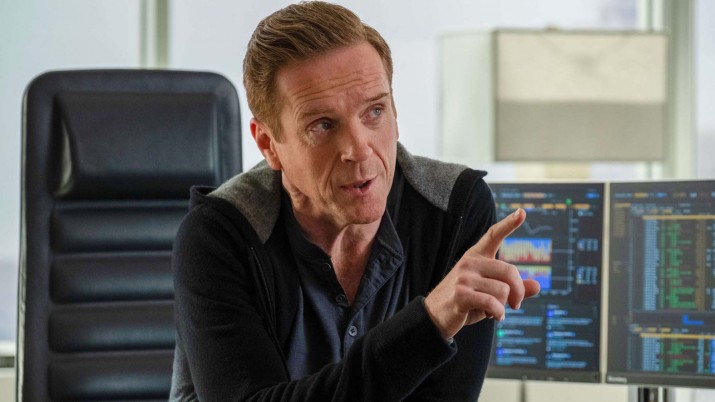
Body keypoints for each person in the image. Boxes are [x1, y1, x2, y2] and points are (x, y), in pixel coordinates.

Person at [170, 2, 540, 401]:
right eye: (323, 125)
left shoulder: (455, 210)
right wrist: (428, 324)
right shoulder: (219, 236)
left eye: (374, 111)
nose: (359, 149)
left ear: (395, 111)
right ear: (268, 144)